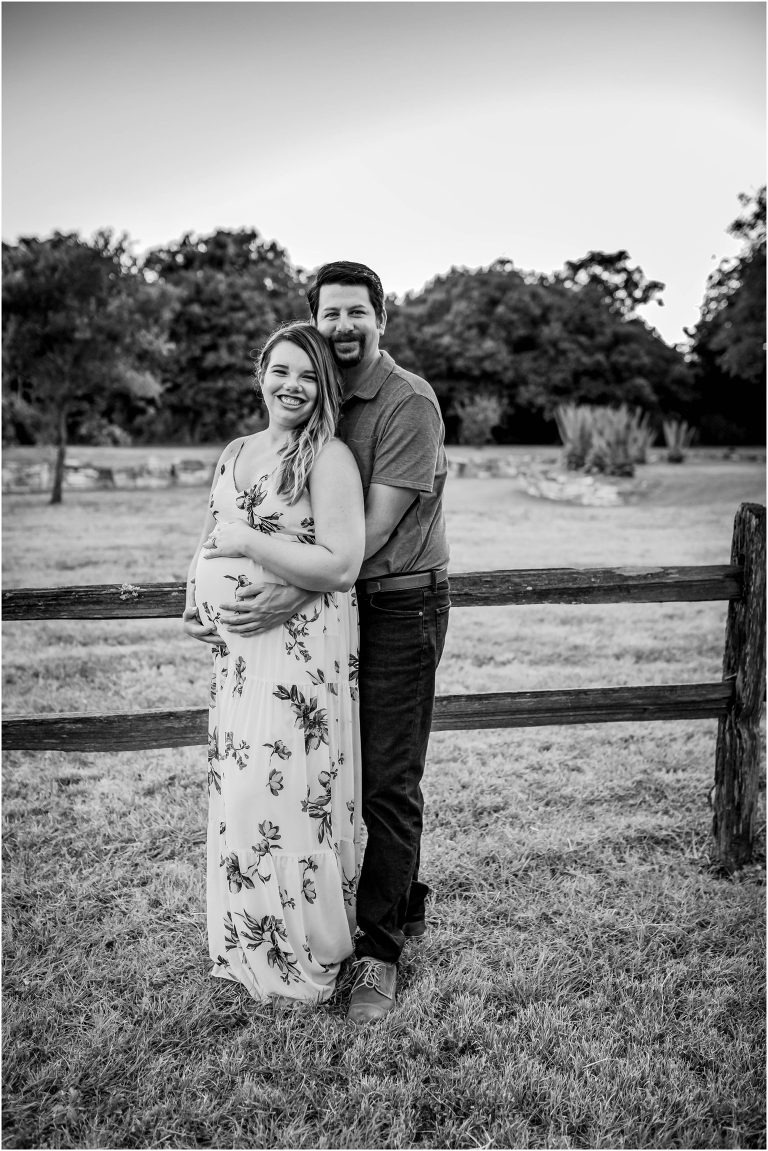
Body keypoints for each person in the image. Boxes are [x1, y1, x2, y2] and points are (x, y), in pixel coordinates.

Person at [217, 262, 450, 1024]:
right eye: (331, 315)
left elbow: (366, 534)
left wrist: (291, 588)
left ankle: (379, 952)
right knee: (336, 769)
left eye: (357, 312)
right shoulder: (321, 394)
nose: (344, 326)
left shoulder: (406, 402)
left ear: (383, 317)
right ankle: (398, 898)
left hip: (397, 605)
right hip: (331, 617)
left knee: (387, 778)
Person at [182, 321, 365, 1005]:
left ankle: (301, 951)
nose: (292, 385)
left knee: (283, 793)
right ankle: (245, 937)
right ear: (261, 372)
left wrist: (244, 540)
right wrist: (193, 590)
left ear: (325, 388)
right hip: (238, 654)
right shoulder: (237, 449)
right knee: (239, 790)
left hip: (300, 654)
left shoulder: (328, 458)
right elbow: (212, 530)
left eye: (309, 376)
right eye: (281, 370)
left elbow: (341, 563)